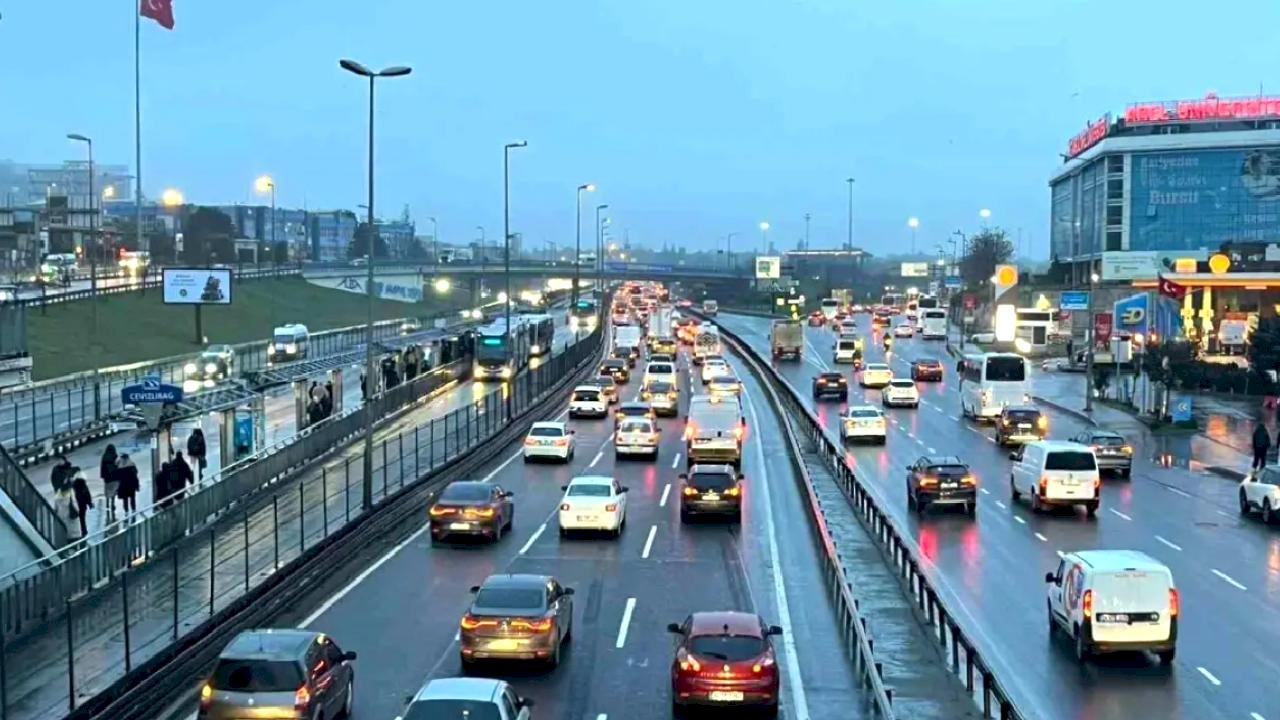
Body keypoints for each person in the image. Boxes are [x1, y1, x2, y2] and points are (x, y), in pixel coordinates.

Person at [70, 468, 93, 538]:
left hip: (76, 504)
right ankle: (84, 531)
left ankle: (80, 532)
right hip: (83, 505)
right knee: (82, 518)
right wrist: (89, 503)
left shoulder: (73, 484)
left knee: (78, 519)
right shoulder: (83, 483)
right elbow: (87, 494)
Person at [100, 444, 119, 522]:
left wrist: (103, 476)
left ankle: (107, 503)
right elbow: (117, 466)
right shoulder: (115, 456)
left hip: (107, 478)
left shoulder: (104, 457)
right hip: (114, 477)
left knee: (107, 491)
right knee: (114, 491)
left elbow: (102, 468)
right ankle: (112, 503)